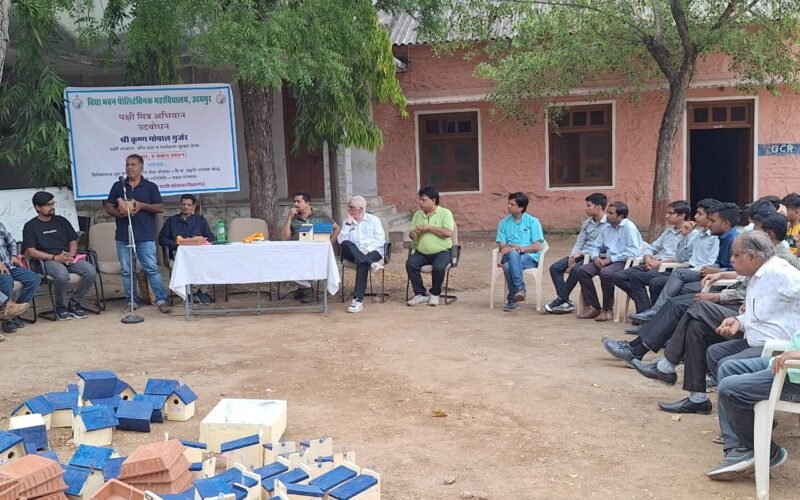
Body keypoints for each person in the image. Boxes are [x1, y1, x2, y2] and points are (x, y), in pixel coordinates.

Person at [631, 232, 800, 415]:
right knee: (698, 327)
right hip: (752, 334)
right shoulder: (756, 274)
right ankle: (697, 398)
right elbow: (759, 313)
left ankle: (668, 364)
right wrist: (738, 321)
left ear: (752, 256)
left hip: (773, 344)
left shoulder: (782, 273)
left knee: (700, 310)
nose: (732, 259)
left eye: (736, 255)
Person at [704, 328, 800, 479]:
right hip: (786, 364)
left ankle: (769, 452)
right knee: (728, 368)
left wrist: (794, 355)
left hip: (794, 375)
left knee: (729, 389)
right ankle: (737, 448)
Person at [628, 201, 739, 323]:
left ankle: (655, 317)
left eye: (700, 214)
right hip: (694, 271)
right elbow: (680, 258)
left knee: (675, 280)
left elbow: (730, 268)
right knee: (650, 280)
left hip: (709, 275)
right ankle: (652, 321)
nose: (695, 217)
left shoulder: (727, 240)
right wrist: (684, 236)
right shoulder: (704, 236)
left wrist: (716, 270)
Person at [105, 154, 171, 313]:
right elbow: (108, 206)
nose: (129, 168)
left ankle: (161, 300)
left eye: (133, 165)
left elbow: (160, 208)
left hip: (145, 235)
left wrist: (141, 205)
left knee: (151, 268)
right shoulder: (118, 186)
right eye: (127, 165)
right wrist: (118, 213)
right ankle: (132, 301)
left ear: (141, 167)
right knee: (127, 271)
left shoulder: (150, 187)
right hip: (123, 235)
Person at [22, 191, 97, 320]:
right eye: (48, 205)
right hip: (46, 261)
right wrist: (54, 258)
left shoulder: (61, 221)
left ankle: (75, 303)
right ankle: (60, 307)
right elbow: (31, 251)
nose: (52, 207)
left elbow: (73, 241)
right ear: (37, 207)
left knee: (90, 270)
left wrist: (71, 256)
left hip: (67, 257)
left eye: (52, 204)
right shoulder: (30, 226)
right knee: (62, 274)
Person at [611, 200, 693, 314]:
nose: (666, 216)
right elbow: (652, 247)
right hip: (653, 264)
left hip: (669, 268)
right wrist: (648, 258)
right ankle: (646, 307)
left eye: (670, 213)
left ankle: (643, 311)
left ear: (682, 216)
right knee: (618, 276)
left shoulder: (691, 234)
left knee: (636, 278)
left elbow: (684, 258)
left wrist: (659, 263)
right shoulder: (668, 231)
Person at [575, 201, 643, 321]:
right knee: (582, 271)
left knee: (605, 273)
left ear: (620, 216)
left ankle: (607, 309)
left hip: (623, 261)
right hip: (605, 259)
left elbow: (633, 252)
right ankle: (593, 306)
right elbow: (595, 246)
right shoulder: (606, 227)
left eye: (611, 213)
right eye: (607, 212)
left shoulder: (629, 228)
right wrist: (595, 257)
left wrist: (611, 259)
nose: (607, 215)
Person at [545, 192, 607, 314]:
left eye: (589, 205)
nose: (586, 208)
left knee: (576, 270)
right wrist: (572, 257)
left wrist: (582, 253)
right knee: (555, 268)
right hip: (581, 255)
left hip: (596, 257)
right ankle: (565, 300)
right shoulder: (587, 223)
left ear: (599, 207)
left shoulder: (609, 224)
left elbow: (603, 247)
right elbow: (579, 241)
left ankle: (561, 299)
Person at [281, 191, 340, 303]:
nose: (295, 204)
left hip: (316, 252)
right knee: (285, 263)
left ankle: (304, 288)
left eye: (298, 201)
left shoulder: (321, 215)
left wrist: (329, 244)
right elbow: (285, 237)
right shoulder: (294, 218)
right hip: (296, 252)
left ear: (308, 203)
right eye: (294, 202)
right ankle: (306, 287)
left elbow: (337, 228)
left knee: (313, 263)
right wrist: (289, 217)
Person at [157, 194, 215, 305]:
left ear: (194, 206)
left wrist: (197, 240)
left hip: (198, 255)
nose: (186, 207)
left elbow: (210, 237)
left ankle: (201, 292)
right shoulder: (171, 221)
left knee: (210, 265)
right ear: (180, 205)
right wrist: (177, 244)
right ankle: (186, 294)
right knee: (179, 266)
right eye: (183, 204)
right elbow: (161, 239)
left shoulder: (200, 220)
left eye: (189, 205)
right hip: (177, 256)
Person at [406, 186, 456, 307]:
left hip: (442, 251)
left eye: (423, 200)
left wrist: (429, 228)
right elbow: (411, 234)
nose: (420, 202)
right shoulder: (417, 214)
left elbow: (448, 233)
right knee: (410, 264)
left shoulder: (445, 213)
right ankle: (420, 294)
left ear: (433, 200)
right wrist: (414, 234)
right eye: (419, 199)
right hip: (421, 252)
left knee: (438, 268)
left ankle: (435, 294)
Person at [495, 192, 544, 311]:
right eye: (508, 203)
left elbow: (537, 246)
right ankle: (520, 288)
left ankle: (512, 300)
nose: (509, 206)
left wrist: (522, 248)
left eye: (512, 204)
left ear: (521, 207)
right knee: (512, 254)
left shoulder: (533, 221)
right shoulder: (503, 223)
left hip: (529, 257)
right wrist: (509, 247)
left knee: (508, 266)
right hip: (509, 256)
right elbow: (502, 246)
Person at [337, 196, 386, 313]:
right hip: (353, 252)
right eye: (348, 206)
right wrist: (348, 224)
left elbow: (380, 240)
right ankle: (372, 264)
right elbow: (340, 240)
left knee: (362, 263)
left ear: (360, 209)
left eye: (351, 207)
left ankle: (357, 301)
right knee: (346, 243)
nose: (348, 209)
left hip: (373, 251)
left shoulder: (374, 220)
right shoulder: (347, 222)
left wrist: (367, 250)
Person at [0, 222, 41, 333]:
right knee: (6, 281)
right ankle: (7, 319)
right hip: (1, 271)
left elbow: (11, 242)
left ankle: (15, 314)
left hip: (10, 266)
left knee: (34, 279)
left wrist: (13, 255)